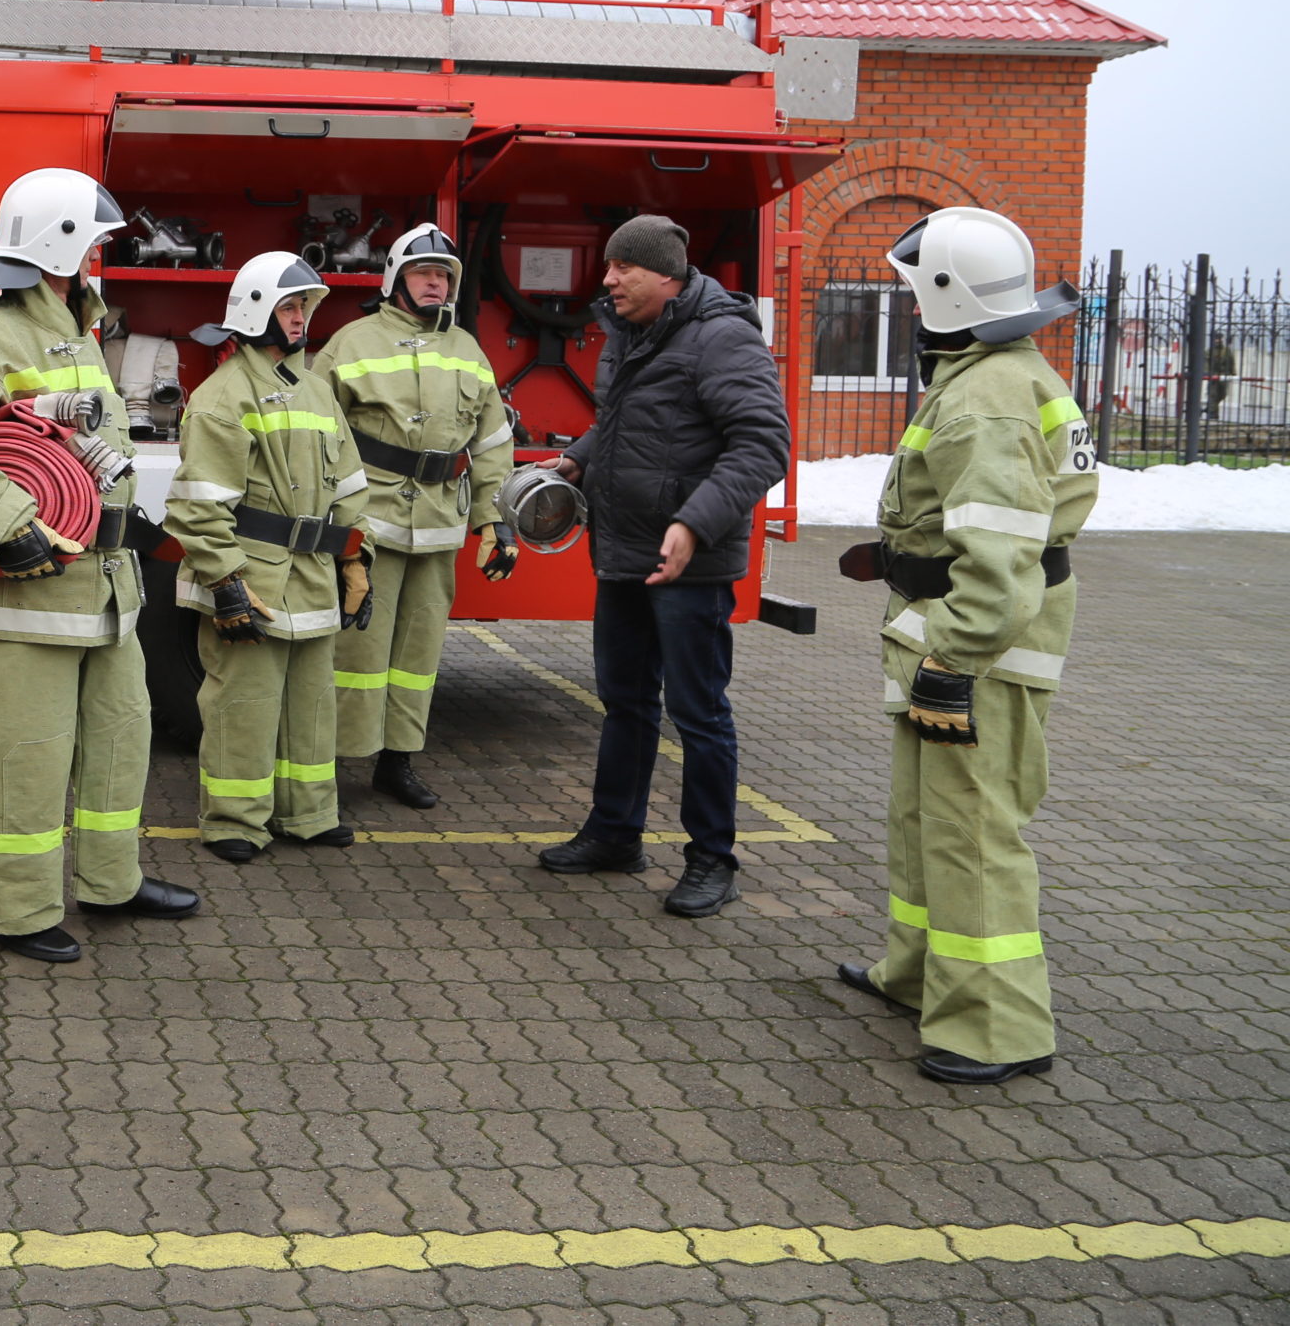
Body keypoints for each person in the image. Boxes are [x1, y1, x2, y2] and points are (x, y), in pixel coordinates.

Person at [0, 168, 199, 963]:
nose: (100, 258)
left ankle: (112, 881)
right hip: (31, 603)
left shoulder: (76, 330)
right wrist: (6, 521)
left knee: (119, 741)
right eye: (94, 243)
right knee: (30, 760)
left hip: (106, 598)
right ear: (56, 244)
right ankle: (16, 908)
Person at [834, 207, 1096, 1085]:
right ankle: (918, 975)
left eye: (914, 294)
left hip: (978, 648)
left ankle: (995, 1027)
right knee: (926, 823)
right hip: (959, 636)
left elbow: (997, 557)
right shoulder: (998, 370)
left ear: (947, 296)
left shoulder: (985, 400)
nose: (907, 310)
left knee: (975, 834)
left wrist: (952, 654)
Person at [538, 214, 790, 918]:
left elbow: (764, 444)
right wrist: (580, 456)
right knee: (625, 702)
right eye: (610, 266)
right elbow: (624, 419)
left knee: (699, 712)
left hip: (690, 564)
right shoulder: (631, 334)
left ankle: (713, 858)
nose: (608, 278)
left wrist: (692, 522)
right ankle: (615, 833)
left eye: (623, 268)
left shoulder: (722, 336)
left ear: (666, 276)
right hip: (623, 553)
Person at [165, 253, 373, 862]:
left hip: (310, 577)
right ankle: (234, 821)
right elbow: (199, 506)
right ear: (255, 312)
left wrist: (355, 559)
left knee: (311, 705)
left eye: (306, 306)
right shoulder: (222, 396)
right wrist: (225, 582)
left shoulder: (314, 389)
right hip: (251, 576)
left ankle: (308, 814)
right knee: (243, 705)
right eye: (289, 306)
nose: (301, 317)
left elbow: (350, 486)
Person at [319, 224, 516, 807]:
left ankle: (397, 762)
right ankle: (330, 765)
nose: (436, 283)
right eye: (424, 273)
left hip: (437, 526)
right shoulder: (351, 343)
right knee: (354, 651)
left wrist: (492, 521)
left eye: (444, 276)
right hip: (369, 525)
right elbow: (317, 436)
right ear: (395, 279)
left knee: (418, 654)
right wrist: (332, 525)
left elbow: (492, 442)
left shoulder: (467, 350)